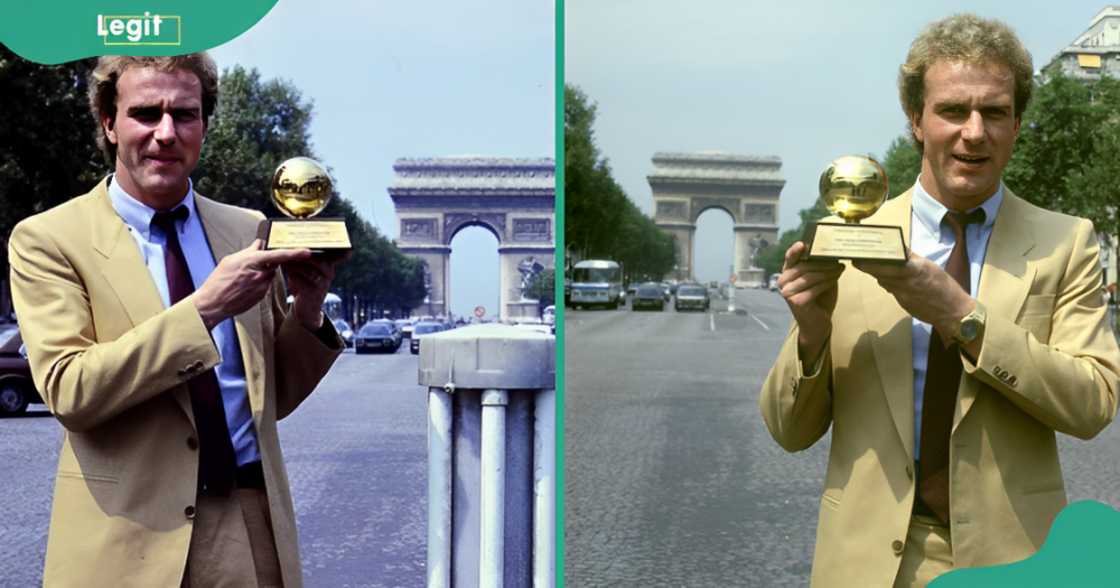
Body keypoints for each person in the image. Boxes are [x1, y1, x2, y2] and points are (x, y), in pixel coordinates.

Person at [759, 14, 1120, 588]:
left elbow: (1093, 405)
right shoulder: (854, 241)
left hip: (1016, 560)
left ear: (1018, 124)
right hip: (870, 564)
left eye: (994, 112)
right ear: (917, 123)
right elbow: (788, 431)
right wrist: (811, 334)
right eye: (953, 110)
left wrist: (961, 315)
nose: (973, 132)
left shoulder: (1066, 241)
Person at [8, 53, 345, 587]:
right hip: (126, 536)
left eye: (184, 115)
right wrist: (206, 307)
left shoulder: (248, 229)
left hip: (248, 518)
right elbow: (70, 390)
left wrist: (306, 312)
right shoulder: (47, 239)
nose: (166, 133)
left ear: (205, 128)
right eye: (145, 113)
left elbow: (271, 396)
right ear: (109, 124)